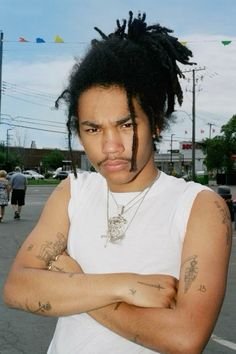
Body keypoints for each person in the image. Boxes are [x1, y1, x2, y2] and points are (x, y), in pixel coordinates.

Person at [3, 11, 232, 354]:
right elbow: (17, 288)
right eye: (93, 129)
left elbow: (185, 338)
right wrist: (124, 286)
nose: (110, 147)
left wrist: (74, 283)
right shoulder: (73, 192)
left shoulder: (200, 207)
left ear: (155, 123)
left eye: (125, 125)